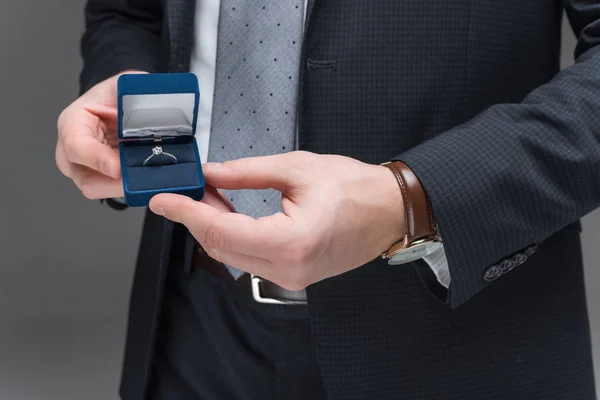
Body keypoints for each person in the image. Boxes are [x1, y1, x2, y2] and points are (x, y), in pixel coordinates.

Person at [56, 0, 600, 399]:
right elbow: (128, 12)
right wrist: (129, 101)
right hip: (193, 319)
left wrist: (410, 200)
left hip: (461, 337)